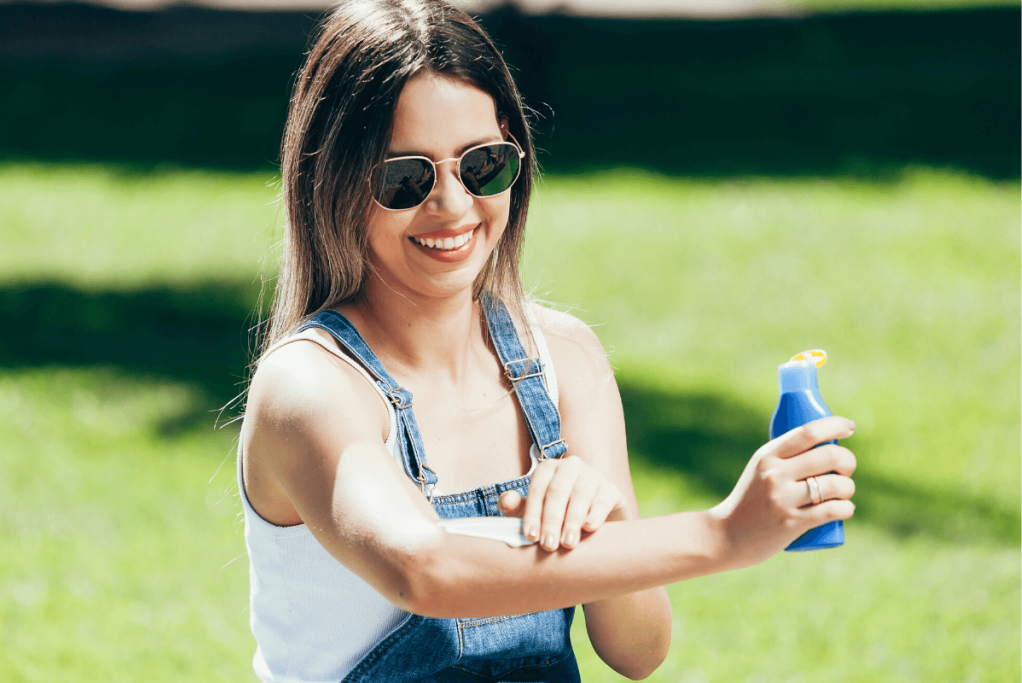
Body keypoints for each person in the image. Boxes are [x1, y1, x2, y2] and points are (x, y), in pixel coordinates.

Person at [238, 1, 858, 681]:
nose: (452, 205)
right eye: (406, 178)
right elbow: (423, 569)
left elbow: (637, 649)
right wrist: (723, 534)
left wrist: (608, 513)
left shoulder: (564, 359)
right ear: (336, 184)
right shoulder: (311, 388)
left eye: (483, 165)